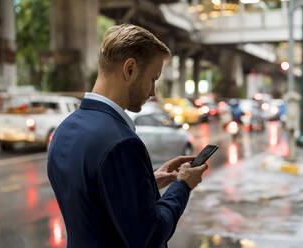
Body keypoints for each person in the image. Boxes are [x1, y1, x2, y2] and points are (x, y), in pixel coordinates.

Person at [47, 24, 208, 248]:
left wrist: (148, 182)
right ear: (129, 69)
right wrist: (183, 185)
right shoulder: (121, 143)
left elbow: (94, 200)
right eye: (153, 78)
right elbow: (150, 235)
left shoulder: (64, 129)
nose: (153, 92)